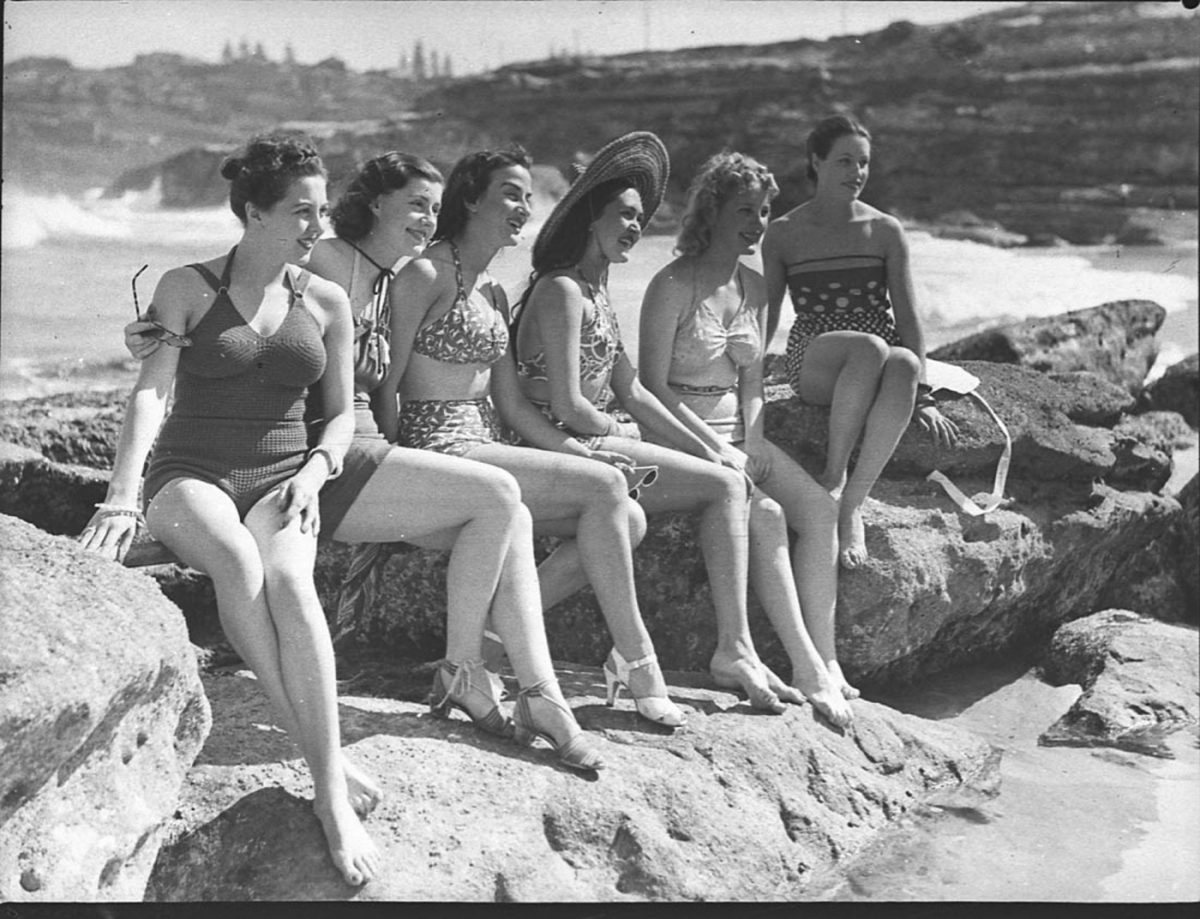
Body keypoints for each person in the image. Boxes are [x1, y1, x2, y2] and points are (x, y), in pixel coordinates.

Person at [121, 150, 604, 774]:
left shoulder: (388, 277)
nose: (429, 222)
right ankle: (491, 681)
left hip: (335, 453)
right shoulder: (322, 260)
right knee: (494, 505)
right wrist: (143, 342)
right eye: (417, 207)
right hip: (296, 456)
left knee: (501, 503)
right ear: (375, 204)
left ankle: (501, 680)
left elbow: (370, 383)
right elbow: (211, 341)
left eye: (435, 210)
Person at [83, 133, 379, 885]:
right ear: (252, 212)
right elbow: (151, 391)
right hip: (191, 474)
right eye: (301, 212)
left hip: (288, 473)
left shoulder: (327, 298)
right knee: (242, 564)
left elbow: (342, 414)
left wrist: (316, 471)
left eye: (323, 210)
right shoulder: (187, 287)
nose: (318, 226)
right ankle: (330, 782)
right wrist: (122, 493)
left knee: (292, 582)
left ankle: (327, 777)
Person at [380, 146, 687, 730]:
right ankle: (640, 663)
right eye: (510, 195)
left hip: (487, 445)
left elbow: (513, 406)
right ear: (470, 199)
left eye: (527, 196)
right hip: (434, 450)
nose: (524, 208)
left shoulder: (494, 293)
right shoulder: (423, 274)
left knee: (630, 516)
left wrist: (582, 452)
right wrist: (389, 471)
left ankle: (495, 633)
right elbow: (388, 385)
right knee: (603, 493)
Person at [511, 131, 806, 715]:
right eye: (622, 215)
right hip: (557, 445)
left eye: (641, 219)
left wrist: (711, 448)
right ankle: (734, 649)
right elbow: (569, 405)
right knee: (719, 488)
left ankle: (734, 648)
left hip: (595, 438)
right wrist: (626, 434)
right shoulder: (563, 289)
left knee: (719, 479)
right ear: (589, 214)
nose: (633, 228)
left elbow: (636, 389)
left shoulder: (596, 289)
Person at [638, 151, 856, 716]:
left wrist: (755, 441)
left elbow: (754, 380)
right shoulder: (670, 285)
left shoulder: (755, 288)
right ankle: (802, 665)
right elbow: (652, 388)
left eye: (763, 211)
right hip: (678, 438)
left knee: (820, 512)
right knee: (767, 515)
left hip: (739, 433)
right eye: (744, 210)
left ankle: (827, 660)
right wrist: (715, 449)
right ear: (711, 211)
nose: (757, 223)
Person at [762, 115, 959, 569]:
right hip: (816, 355)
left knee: (904, 363)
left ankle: (852, 505)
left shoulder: (884, 230)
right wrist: (745, 378)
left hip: (879, 352)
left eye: (864, 163)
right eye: (845, 161)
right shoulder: (784, 232)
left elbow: (907, 315)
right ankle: (833, 475)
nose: (857, 172)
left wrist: (922, 394)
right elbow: (768, 314)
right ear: (816, 162)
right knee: (870, 347)